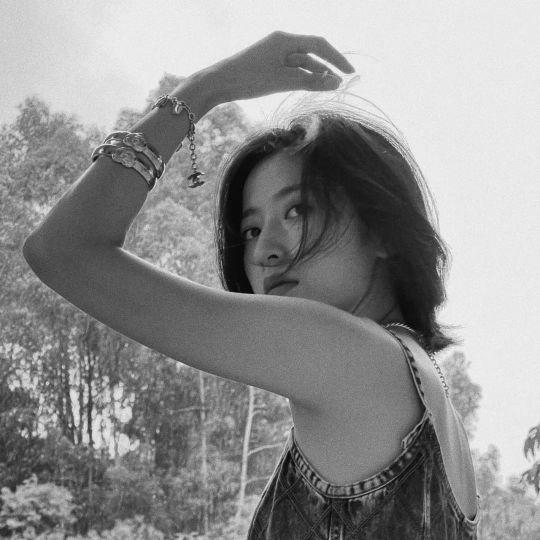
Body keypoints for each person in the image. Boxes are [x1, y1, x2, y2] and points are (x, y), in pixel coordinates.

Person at [23, 31, 480, 538]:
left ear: (383, 231)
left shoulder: (351, 356)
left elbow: (63, 249)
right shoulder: (421, 390)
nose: (265, 251)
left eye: (297, 211)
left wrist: (204, 89)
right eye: (252, 230)